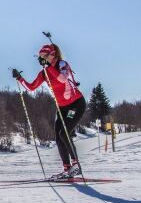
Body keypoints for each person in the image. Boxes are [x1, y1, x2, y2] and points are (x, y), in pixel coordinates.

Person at [12, 43, 86, 179]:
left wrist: (48, 67)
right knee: (58, 138)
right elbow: (31, 87)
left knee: (64, 133)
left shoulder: (62, 64)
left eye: (44, 56)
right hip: (61, 108)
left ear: (52, 54)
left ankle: (76, 165)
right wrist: (19, 78)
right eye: (40, 57)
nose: (42, 60)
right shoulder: (45, 72)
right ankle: (67, 169)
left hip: (75, 105)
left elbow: (62, 79)